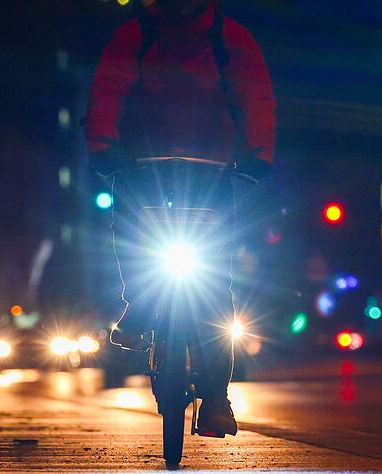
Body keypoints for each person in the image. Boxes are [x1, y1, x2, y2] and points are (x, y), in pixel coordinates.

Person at [86, 0, 275, 436]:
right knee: (133, 234)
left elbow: (256, 97)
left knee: (213, 284)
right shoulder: (135, 34)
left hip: (210, 169)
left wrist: (258, 154)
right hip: (141, 165)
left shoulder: (230, 40)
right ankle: (139, 305)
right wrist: (102, 145)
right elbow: (108, 92)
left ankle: (215, 399)